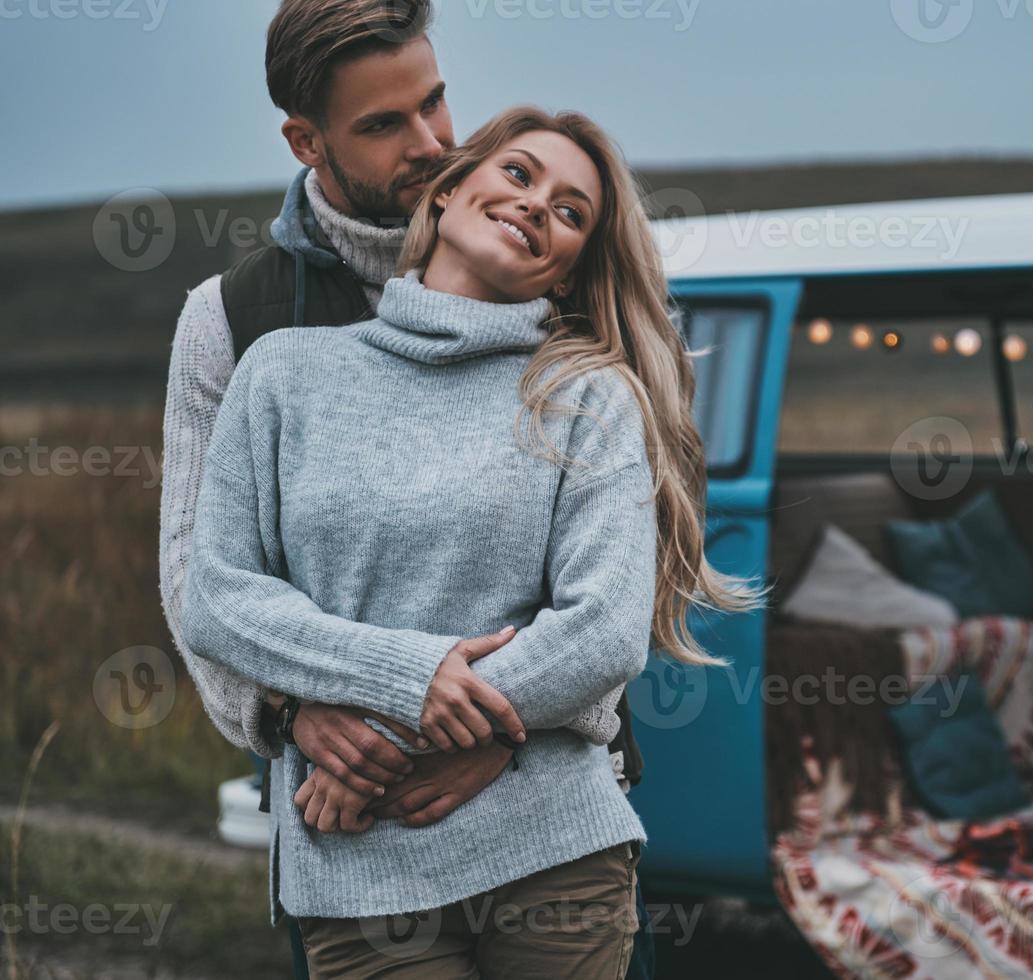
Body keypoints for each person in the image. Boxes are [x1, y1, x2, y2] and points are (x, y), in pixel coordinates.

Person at [178, 104, 766, 977]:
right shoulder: (283, 374)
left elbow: (601, 630)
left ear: (567, 272)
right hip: (358, 861)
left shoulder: (588, 397)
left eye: (571, 212)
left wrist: (385, 746)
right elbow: (219, 597)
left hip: (553, 847)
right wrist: (409, 684)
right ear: (450, 191)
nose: (537, 207)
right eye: (520, 175)